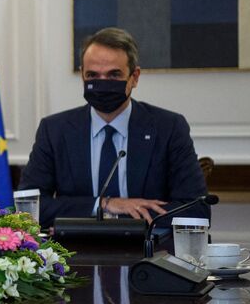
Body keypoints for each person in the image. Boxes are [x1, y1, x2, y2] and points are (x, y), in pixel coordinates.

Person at [18, 27, 209, 228]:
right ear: (82, 75)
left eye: (113, 75)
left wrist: (125, 219)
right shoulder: (55, 130)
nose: (103, 84)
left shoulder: (168, 128)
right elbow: (28, 209)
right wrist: (104, 205)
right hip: (74, 253)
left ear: (134, 77)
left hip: (148, 252)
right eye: (92, 75)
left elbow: (196, 210)